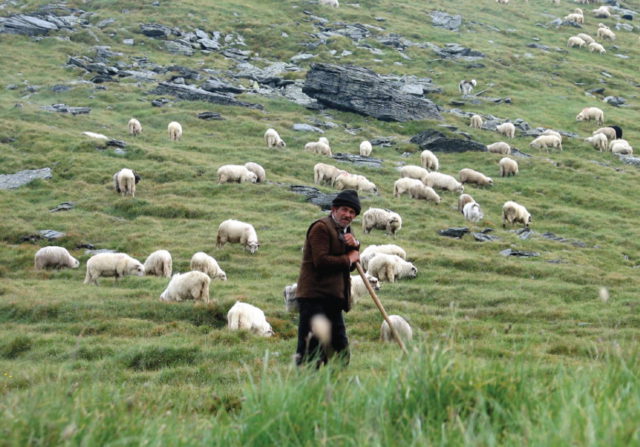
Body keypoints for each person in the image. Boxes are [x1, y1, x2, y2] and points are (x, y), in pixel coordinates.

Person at [294, 189, 361, 367]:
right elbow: (321, 261)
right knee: (311, 352)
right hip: (314, 298)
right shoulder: (321, 228)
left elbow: (351, 265)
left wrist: (354, 247)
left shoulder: (345, 231)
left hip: (333, 300)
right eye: (345, 210)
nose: (348, 215)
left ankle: (335, 390)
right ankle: (306, 391)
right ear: (334, 209)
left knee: (340, 351)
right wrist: (349, 258)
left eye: (352, 212)